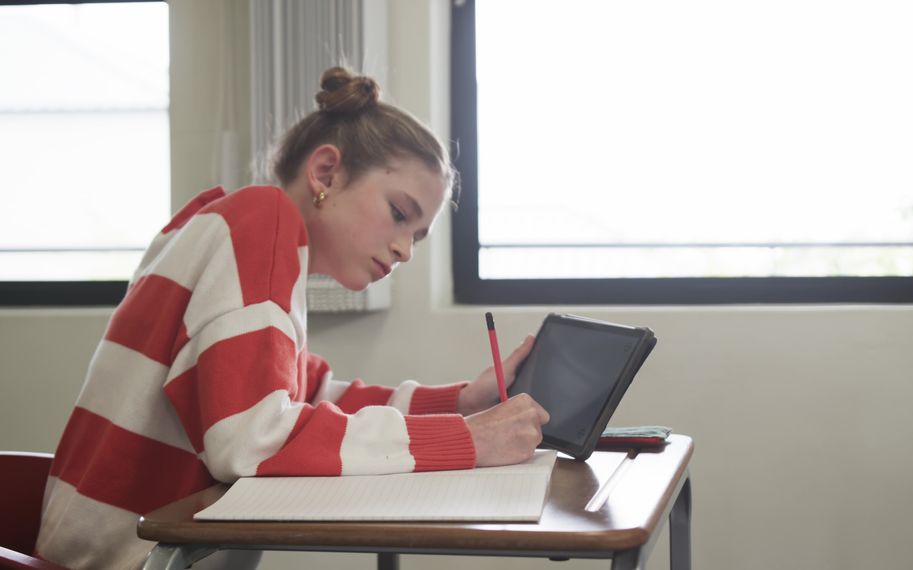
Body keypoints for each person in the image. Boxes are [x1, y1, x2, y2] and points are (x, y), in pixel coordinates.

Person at [35, 66, 550, 570]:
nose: (405, 251)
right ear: (326, 172)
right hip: (125, 558)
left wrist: (460, 403)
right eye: (399, 214)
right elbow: (252, 437)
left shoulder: (220, 224)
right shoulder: (263, 220)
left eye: (417, 236)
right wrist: (467, 440)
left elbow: (309, 394)